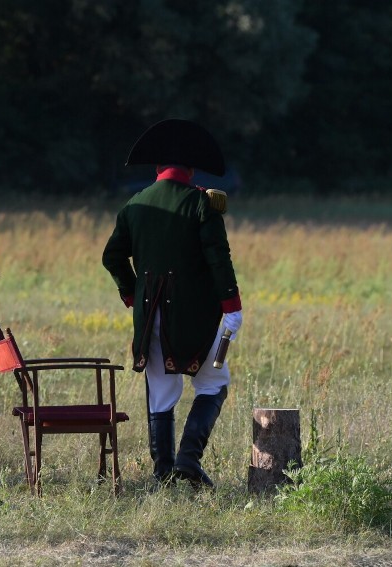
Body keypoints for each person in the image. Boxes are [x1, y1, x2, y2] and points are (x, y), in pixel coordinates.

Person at [101, 119, 243, 489]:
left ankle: (163, 473)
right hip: (197, 316)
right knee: (213, 382)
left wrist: (132, 294)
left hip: (150, 318)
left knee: (162, 392)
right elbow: (219, 259)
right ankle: (188, 459)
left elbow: (112, 257)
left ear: (158, 167)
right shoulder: (201, 203)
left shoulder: (135, 204)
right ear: (191, 167)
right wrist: (232, 305)